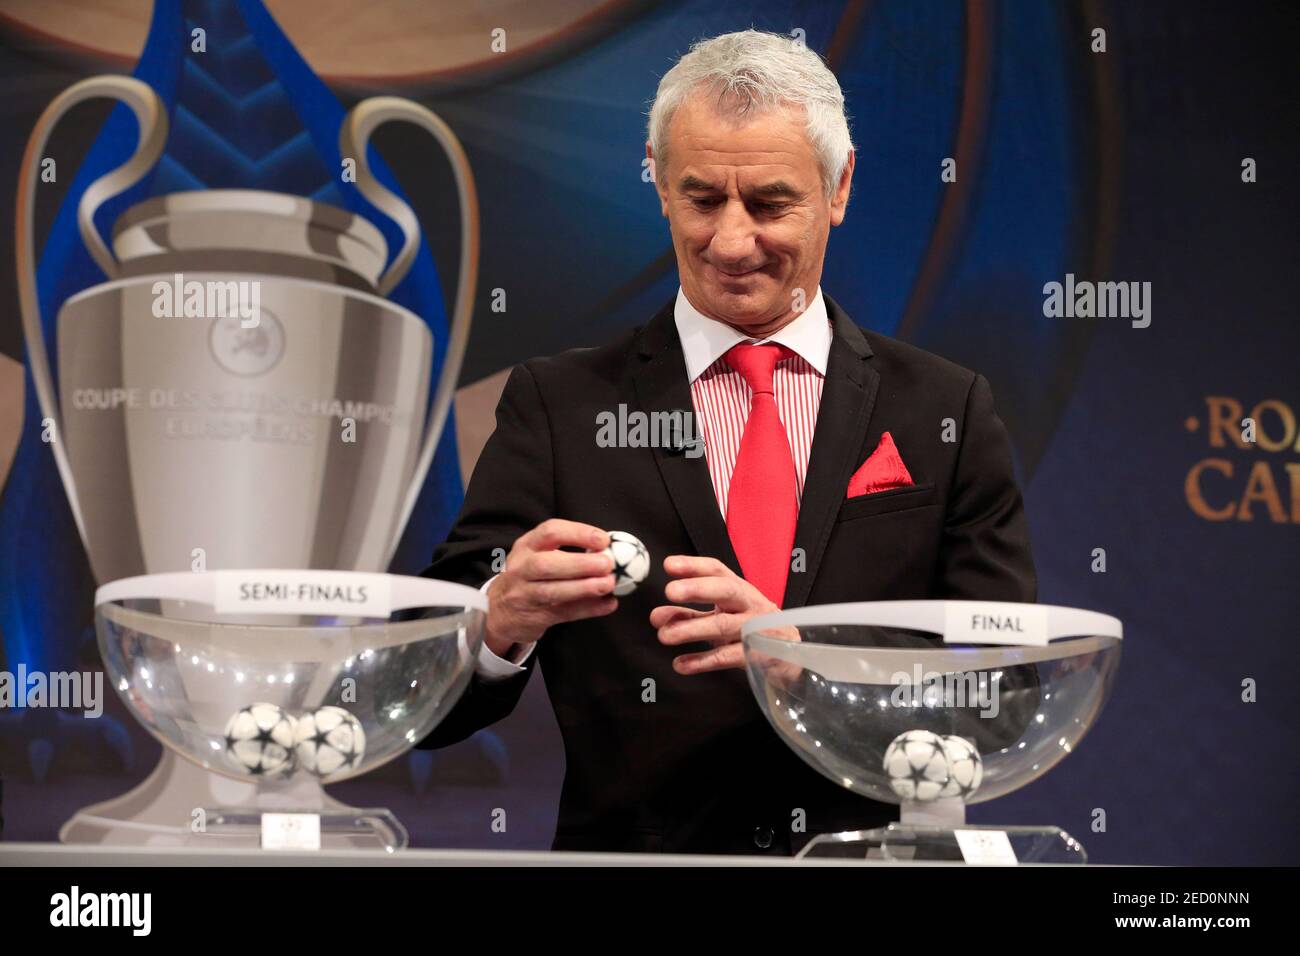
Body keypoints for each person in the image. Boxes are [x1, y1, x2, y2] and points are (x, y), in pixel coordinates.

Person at [416, 29, 1035, 854]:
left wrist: (809, 666)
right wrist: (497, 622)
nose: (732, 242)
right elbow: (429, 706)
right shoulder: (560, 406)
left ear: (839, 186)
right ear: (659, 182)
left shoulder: (943, 411)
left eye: (771, 203)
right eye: (703, 198)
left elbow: (1009, 693)